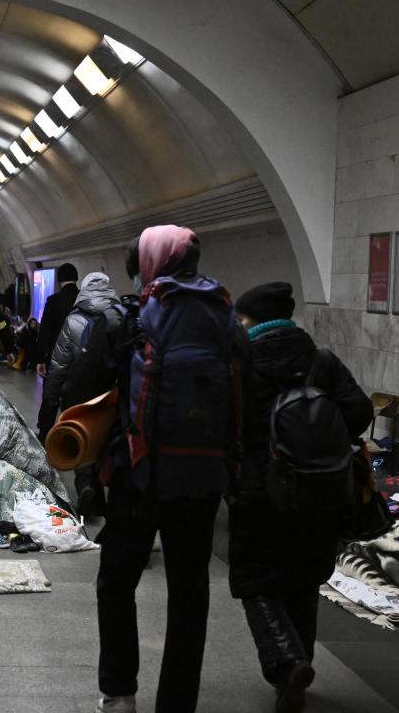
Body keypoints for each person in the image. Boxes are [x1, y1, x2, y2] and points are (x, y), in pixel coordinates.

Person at [95, 226, 240, 713]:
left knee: (117, 581)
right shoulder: (225, 316)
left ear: (147, 264)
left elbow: (92, 391)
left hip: (139, 475)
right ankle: (177, 705)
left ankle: (119, 693)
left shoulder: (132, 318)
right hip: (203, 478)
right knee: (190, 593)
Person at [226, 281, 372, 712]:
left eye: (241, 318)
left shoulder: (243, 361)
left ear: (252, 319)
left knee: (256, 581)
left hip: (261, 490)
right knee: (304, 581)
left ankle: (288, 662)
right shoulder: (320, 360)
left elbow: (226, 421)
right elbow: (360, 411)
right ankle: (298, 673)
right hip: (321, 489)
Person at [42, 272, 126, 517]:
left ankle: (86, 484)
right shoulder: (120, 318)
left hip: (79, 390)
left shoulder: (73, 320)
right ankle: (103, 494)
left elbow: (59, 363)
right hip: (110, 392)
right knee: (105, 439)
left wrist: (51, 396)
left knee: (82, 437)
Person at [35, 263, 80, 437]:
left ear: (59, 279)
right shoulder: (83, 300)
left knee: (50, 396)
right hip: (79, 359)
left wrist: (40, 358)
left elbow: (45, 331)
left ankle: (44, 433)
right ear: (76, 278)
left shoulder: (53, 301)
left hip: (56, 357)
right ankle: (72, 433)